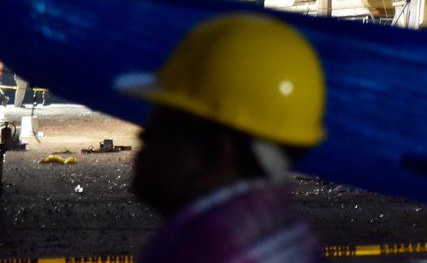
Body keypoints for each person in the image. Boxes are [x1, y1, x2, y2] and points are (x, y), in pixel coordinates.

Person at [115, 13, 326, 263]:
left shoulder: (197, 253)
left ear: (214, 155)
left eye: (163, 124)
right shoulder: (288, 236)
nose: (143, 133)